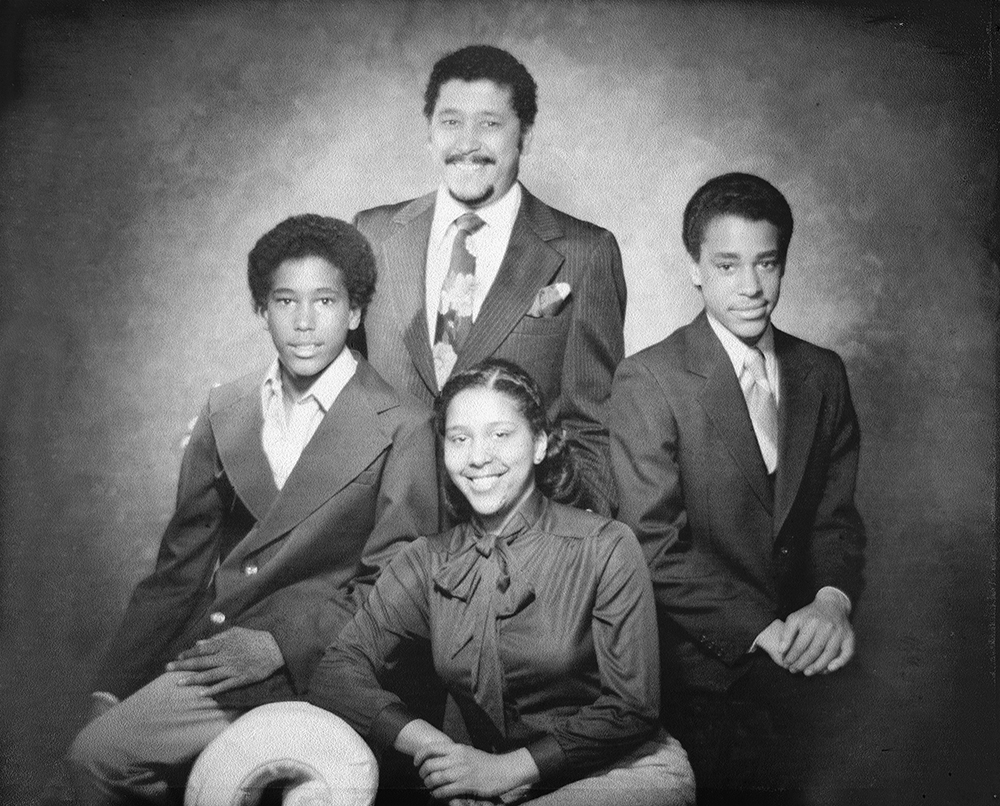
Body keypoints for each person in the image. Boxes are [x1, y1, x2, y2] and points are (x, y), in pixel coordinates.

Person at [67, 214, 440, 805]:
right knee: (95, 756)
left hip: (329, 655)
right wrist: (112, 687)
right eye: (285, 301)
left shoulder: (405, 425)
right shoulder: (226, 408)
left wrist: (279, 645)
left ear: (355, 312)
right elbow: (179, 571)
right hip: (224, 648)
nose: (304, 321)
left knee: (107, 759)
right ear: (261, 311)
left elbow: (398, 586)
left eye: (325, 301)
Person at [309, 359, 694, 805]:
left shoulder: (605, 546)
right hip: (493, 784)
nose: (477, 456)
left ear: (539, 444)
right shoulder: (427, 560)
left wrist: (504, 771)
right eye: (460, 439)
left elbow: (632, 708)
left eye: (500, 435)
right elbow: (336, 671)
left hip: (625, 772)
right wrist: (441, 752)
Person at [607, 173, 867, 798]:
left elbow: (834, 518)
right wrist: (764, 632)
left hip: (807, 651)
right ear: (694, 269)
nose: (751, 286)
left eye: (766, 263)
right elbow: (652, 547)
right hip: (701, 668)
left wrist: (831, 602)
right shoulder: (650, 380)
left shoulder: (821, 372)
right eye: (727, 265)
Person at [352, 44, 626, 515]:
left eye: (490, 124)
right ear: (429, 132)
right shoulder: (373, 235)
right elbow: (346, 398)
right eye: (451, 121)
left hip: (516, 539)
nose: (468, 143)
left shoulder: (584, 253)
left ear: (525, 136)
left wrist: (564, 546)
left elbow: (592, 431)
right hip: (387, 532)